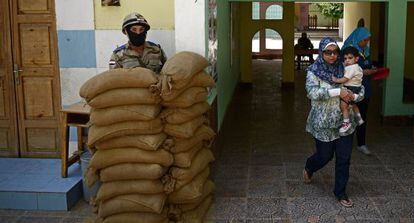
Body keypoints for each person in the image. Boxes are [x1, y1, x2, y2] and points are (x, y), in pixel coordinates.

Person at [303, 37, 365, 208]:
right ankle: (309, 167)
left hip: (345, 122)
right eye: (328, 52)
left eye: (335, 52)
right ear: (321, 53)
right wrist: (337, 91)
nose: (332, 56)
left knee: (344, 158)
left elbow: (359, 87)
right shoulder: (313, 71)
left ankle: (340, 192)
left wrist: (354, 96)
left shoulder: (345, 66)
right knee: (325, 156)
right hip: (324, 123)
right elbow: (312, 92)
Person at [342, 27, 377, 155]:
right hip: (351, 90)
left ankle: (361, 144)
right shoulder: (349, 50)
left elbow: (366, 65)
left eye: (368, 40)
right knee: (349, 116)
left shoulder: (365, 51)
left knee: (362, 117)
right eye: (364, 39)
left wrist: (372, 69)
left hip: (365, 88)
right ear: (358, 38)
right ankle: (345, 144)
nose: (366, 42)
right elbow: (345, 68)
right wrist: (363, 71)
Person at [332, 46, 364, 134]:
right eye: (345, 58)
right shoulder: (357, 67)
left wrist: (336, 80)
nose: (347, 60)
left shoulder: (351, 68)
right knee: (353, 105)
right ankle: (359, 118)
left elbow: (345, 79)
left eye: (350, 58)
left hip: (350, 88)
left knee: (343, 106)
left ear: (356, 58)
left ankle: (346, 122)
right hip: (356, 88)